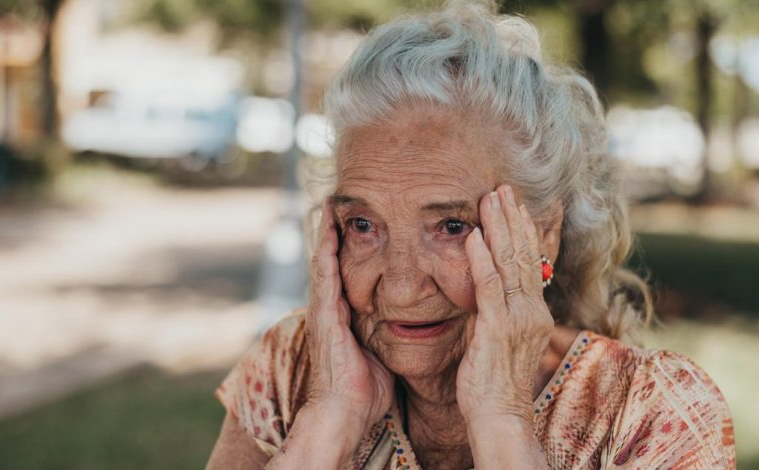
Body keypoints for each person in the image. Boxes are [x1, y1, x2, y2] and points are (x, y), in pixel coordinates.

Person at [206, 2, 736, 468]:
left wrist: (500, 421)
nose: (400, 288)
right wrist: (327, 420)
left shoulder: (647, 410)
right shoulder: (290, 369)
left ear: (544, 234)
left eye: (452, 227)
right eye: (364, 226)